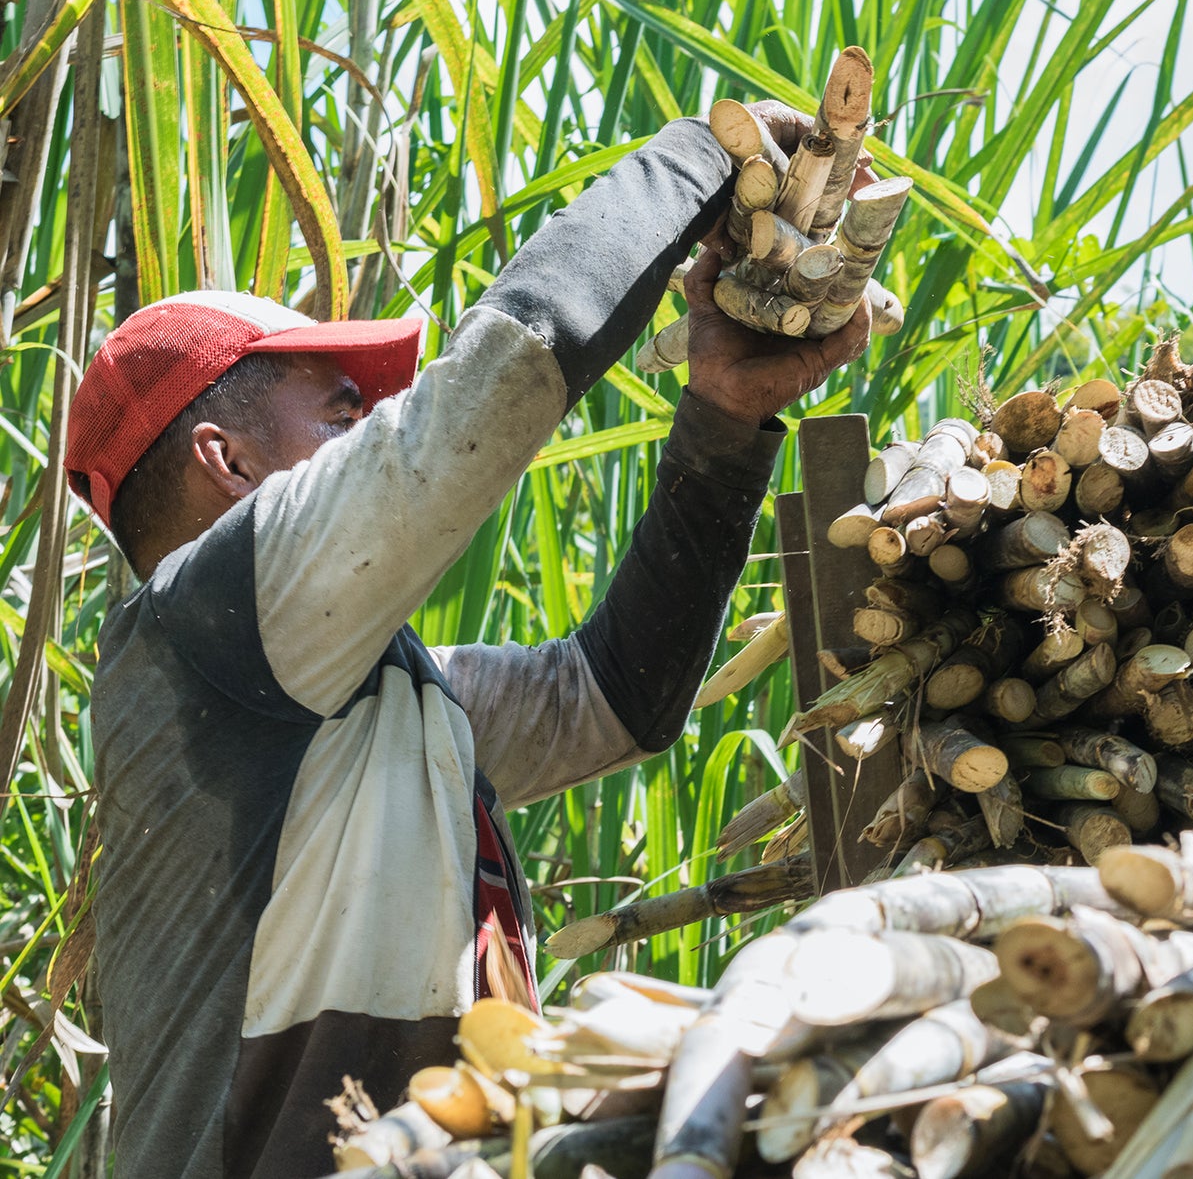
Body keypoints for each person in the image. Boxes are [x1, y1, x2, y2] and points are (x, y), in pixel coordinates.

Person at [62, 105, 871, 1179]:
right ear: (229, 461)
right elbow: (479, 402)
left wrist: (721, 418)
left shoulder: (371, 708)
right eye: (341, 406)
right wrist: (696, 158)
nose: (373, 429)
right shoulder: (194, 626)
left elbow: (615, 696)